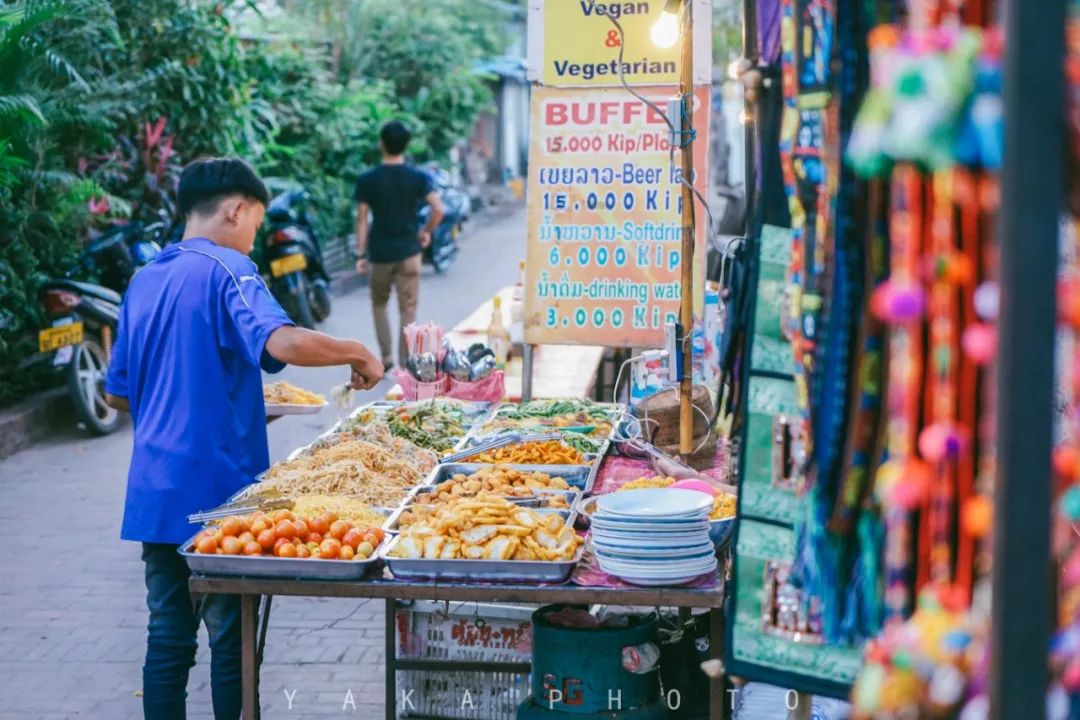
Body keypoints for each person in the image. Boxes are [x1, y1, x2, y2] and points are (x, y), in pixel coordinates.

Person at [104, 157, 384, 720]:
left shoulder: (143, 279)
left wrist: (229, 407)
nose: (253, 238)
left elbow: (120, 395)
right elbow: (281, 343)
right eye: (255, 223)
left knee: (167, 637)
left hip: (155, 492)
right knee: (231, 641)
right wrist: (357, 350)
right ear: (235, 209)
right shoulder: (227, 268)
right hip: (218, 496)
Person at [354, 120, 444, 369]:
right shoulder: (418, 177)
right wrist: (426, 232)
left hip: (380, 253)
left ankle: (386, 358)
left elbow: (362, 219)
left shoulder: (368, 180)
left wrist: (361, 254)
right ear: (406, 146)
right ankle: (406, 363)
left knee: (379, 303)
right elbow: (438, 208)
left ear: (381, 144)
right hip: (409, 252)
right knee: (408, 307)